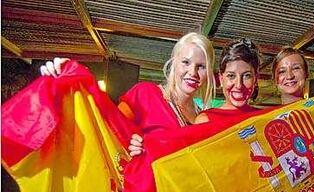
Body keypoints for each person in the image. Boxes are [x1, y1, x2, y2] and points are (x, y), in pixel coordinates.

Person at [41, 32, 217, 155]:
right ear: (174, 64)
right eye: (186, 62)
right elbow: (108, 126)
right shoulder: (146, 94)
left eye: (200, 66)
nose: (192, 72)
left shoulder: (202, 118)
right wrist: (76, 79)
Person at [195, 38, 261, 123]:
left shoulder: (264, 119)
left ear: (255, 79)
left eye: (246, 76)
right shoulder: (205, 120)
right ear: (221, 79)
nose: (239, 85)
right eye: (231, 76)